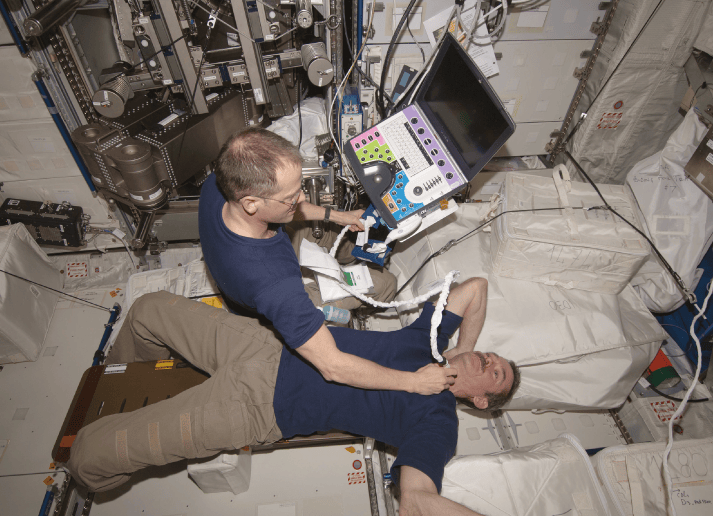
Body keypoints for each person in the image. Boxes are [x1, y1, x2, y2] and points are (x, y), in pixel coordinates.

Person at [67, 277, 520, 516]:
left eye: (494, 372)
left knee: (88, 455)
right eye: (492, 355)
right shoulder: (431, 344)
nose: (489, 359)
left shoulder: (440, 422)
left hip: (257, 404)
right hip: (267, 343)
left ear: (481, 401)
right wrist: (461, 349)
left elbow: (417, 499)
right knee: (148, 309)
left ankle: (105, 471)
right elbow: (476, 288)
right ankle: (121, 381)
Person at [199, 127, 453, 395]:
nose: (302, 199)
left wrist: (339, 216)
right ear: (251, 203)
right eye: (291, 198)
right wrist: (413, 383)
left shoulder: (219, 185)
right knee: (386, 283)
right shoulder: (276, 286)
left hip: (267, 253)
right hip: (269, 295)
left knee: (353, 241)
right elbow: (333, 366)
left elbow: (281, 208)